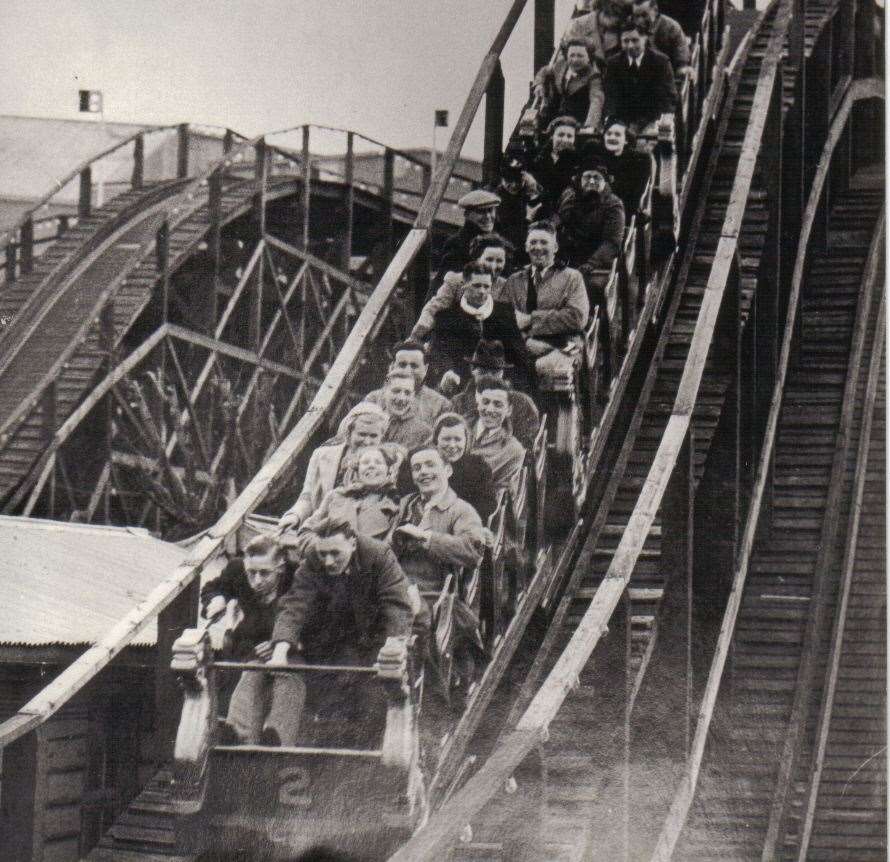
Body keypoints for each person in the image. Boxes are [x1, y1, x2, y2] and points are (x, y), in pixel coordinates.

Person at [263, 517, 414, 746]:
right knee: (331, 684)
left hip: (378, 633)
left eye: (335, 553)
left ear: (352, 543)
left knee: (377, 692)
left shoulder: (379, 555)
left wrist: (392, 649)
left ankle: (373, 747)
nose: (328, 561)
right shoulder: (314, 558)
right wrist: (280, 652)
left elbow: (396, 607)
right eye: (323, 554)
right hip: (344, 635)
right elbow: (295, 604)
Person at [389, 445, 486, 698]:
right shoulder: (405, 505)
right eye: (417, 468)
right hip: (396, 584)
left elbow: (472, 550)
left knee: (410, 618)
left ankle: (424, 692)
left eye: (430, 465)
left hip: (434, 592)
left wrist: (426, 538)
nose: (423, 472)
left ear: (448, 470)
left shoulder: (461, 510)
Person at [199, 534, 294, 743]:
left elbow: (310, 617)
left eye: (264, 573)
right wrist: (217, 599)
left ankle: (274, 740)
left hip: (287, 652)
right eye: (251, 573)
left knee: (284, 681)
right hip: (248, 648)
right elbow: (212, 589)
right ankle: (238, 739)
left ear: (280, 567)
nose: (257, 581)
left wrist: (281, 642)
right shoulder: (237, 570)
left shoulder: (296, 577)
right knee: (247, 681)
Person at [278, 403, 388, 531]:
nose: (367, 441)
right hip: (318, 528)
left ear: (381, 437)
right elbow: (307, 497)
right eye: (362, 434)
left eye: (373, 436)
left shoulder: (387, 464)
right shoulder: (322, 455)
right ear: (349, 433)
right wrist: (294, 516)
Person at [428, 262, 532, 392]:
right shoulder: (447, 317)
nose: (482, 291)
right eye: (476, 286)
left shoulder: (504, 313)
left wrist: (509, 380)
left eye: (486, 286)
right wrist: (448, 372)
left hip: (500, 382)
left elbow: (518, 354)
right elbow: (439, 352)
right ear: (464, 284)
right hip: (460, 383)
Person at [290, 445, 402, 556]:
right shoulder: (336, 496)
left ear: (389, 470)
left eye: (378, 462)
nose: (371, 466)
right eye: (365, 462)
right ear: (357, 470)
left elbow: (388, 552)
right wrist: (323, 548)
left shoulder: (396, 505)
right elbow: (306, 532)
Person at [500, 221, 590, 357]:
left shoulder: (572, 277)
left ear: (555, 247)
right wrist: (526, 341)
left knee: (550, 365)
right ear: (526, 247)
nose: (538, 247)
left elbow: (577, 317)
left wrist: (531, 319)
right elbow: (503, 319)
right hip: (521, 347)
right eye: (533, 242)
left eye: (544, 242)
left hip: (563, 347)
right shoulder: (514, 280)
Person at [397, 413, 497, 524]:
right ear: (436, 440)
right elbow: (405, 495)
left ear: (466, 441)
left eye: (458, 439)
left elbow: (487, 507)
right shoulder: (419, 460)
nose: (452, 445)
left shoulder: (478, 467)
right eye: (446, 439)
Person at [410, 235, 512, 343]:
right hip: (456, 340)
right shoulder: (456, 281)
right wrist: (416, 336)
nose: (493, 266)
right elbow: (434, 309)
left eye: (499, 261)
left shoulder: (507, 286)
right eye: (489, 259)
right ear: (477, 259)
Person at [449, 340, 541, 453]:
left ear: (502, 373)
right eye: (483, 372)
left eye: (494, 372)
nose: (489, 378)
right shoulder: (458, 402)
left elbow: (527, 443)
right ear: (473, 371)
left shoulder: (522, 403)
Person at [555, 157, 626, 300]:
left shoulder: (613, 204)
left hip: (596, 261)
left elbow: (611, 242)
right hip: (569, 256)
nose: (592, 181)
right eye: (587, 177)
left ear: (604, 181)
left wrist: (590, 264)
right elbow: (559, 223)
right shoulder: (571, 197)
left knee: (585, 288)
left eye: (597, 177)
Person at [603, 21, 678, 135]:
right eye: (625, 41)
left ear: (645, 38)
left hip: (652, 119)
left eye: (635, 40)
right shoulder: (614, 63)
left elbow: (669, 97)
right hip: (623, 120)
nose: (630, 46)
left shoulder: (660, 62)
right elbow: (611, 96)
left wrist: (660, 122)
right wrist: (612, 121)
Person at [463, 376, 527, 504]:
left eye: (498, 405)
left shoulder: (513, 450)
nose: (490, 410)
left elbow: (500, 497)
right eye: (485, 402)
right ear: (478, 405)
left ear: (508, 410)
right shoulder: (458, 428)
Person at [365, 340, 451, 426]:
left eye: (414, 366)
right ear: (392, 367)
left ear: (425, 369)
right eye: (402, 365)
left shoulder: (441, 405)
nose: (407, 370)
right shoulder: (374, 399)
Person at [585, 118, 653, 217]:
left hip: (622, 212)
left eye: (617, 135)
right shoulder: (597, 158)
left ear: (626, 140)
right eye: (608, 134)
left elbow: (633, 196)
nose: (612, 137)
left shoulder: (636, 162)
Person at [534, 38, 605, 131]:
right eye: (572, 55)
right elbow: (545, 71)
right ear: (566, 56)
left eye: (580, 56)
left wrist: (589, 126)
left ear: (589, 58)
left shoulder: (594, 76)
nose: (575, 60)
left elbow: (596, 100)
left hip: (577, 122)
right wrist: (539, 84)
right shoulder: (560, 64)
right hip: (554, 116)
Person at [434, 189, 501, 282]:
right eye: (481, 212)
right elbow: (448, 280)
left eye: (490, 210)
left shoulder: (497, 241)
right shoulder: (456, 243)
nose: (488, 216)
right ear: (467, 214)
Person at [526, 117, 581, 221]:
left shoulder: (577, 163)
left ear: (574, 139)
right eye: (560, 135)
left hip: (563, 214)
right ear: (552, 136)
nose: (565, 139)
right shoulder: (537, 157)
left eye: (569, 136)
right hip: (535, 210)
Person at [632, 0, 691, 77]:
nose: (639, 21)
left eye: (644, 15)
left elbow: (681, 60)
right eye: (636, 16)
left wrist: (681, 69)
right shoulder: (631, 28)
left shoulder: (671, 27)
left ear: (655, 11)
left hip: (667, 76)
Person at [378, 369, 433, 451]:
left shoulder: (423, 432)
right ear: (384, 391)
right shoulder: (370, 420)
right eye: (396, 391)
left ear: (413, 396)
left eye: (407, 393)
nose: (401, 398)